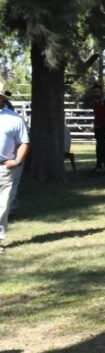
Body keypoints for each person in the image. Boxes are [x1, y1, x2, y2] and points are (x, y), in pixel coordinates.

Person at [0, 87, 29, 255]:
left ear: (2, 98)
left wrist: (17, 161)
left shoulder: (14, 119)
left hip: (4, 167)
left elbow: (24, 142)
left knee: (3, 205)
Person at [84, 82, 105, 173]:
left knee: (103, 146)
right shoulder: (94, 103)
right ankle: (101, 166)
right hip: (98, 127)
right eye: (94, 92)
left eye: (98, 91)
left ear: (101, 91)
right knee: (99, 146)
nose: (96, 93)